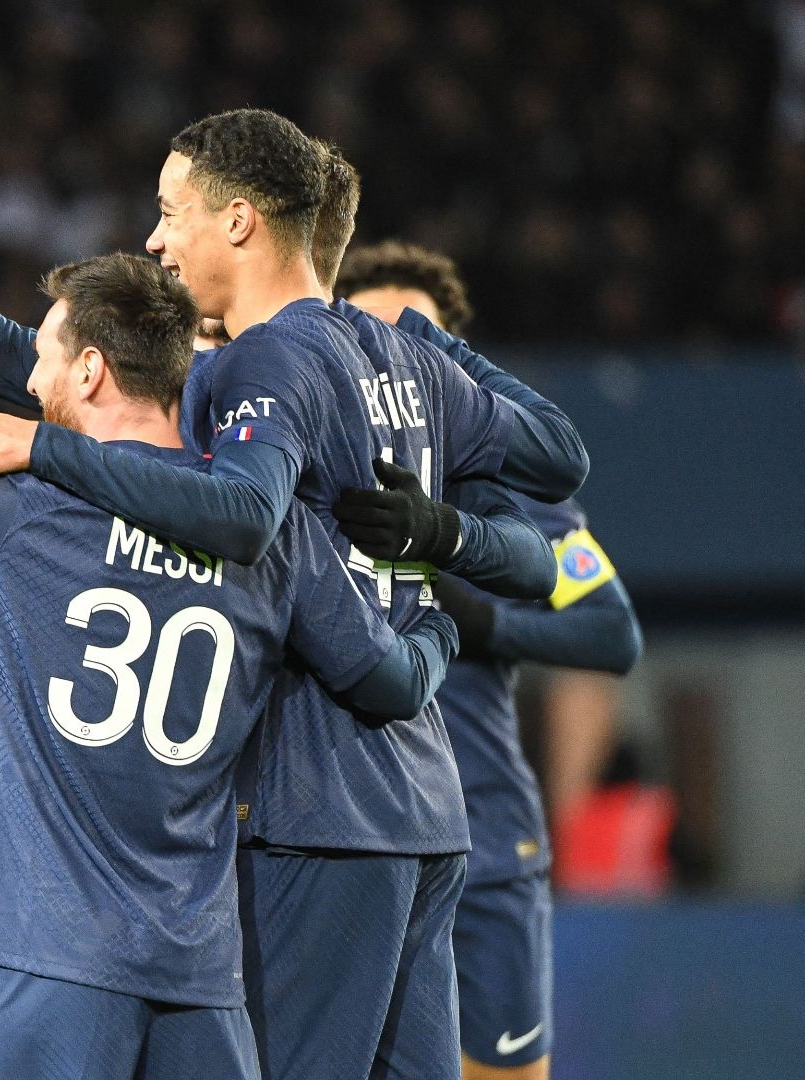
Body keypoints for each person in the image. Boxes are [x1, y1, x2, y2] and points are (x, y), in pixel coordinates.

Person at [0, 99, 589, 1079]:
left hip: (312, 810)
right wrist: (439, 544)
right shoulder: (400, 362)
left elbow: (234, 508)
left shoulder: (260, 371)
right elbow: (559, 474)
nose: (155, 239)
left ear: (238, 220)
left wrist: (40, 448)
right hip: (424, 805)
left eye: (168, 211)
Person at [337, 241, 644, 1080]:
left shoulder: (505, 495)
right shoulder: (303, 474)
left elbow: (611, 632)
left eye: (415, 336)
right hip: (348, 834)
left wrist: (486, 624)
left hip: (484, 838)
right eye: (372, 335)